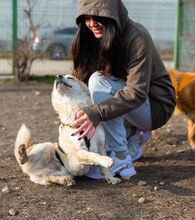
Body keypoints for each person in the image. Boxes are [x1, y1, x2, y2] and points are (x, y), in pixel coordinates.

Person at [69, 0, 176, 179]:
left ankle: (121, 160)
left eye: (98, 16)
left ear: (111, 13)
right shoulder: (94, 36)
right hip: (133, 104)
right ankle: (132, 137)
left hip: (155, 105)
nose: (91, 23)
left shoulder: (137, 37)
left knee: (99, 82)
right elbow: (83, 82)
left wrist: (97, 113)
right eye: (87, 17)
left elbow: (136, 93)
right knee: (95, 91)